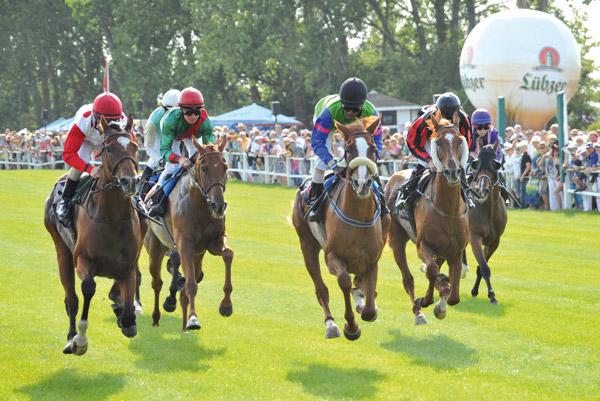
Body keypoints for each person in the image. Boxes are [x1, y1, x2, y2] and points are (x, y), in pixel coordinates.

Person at [307, 77, 383, 221]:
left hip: (358, 127)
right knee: (322, 163)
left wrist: (372, 160)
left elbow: (377, 141)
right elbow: (317, 142)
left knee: (369, 162)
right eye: (346, 108)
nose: (350, 112)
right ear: (342, 104)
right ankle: (314, 203)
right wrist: (332, 164)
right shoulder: (328, 113)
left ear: (361, 106)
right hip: (328, 121)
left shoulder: (370, 113)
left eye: (354, 109)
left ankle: (383, 206)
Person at [55, 91, 127, 226]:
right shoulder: (83, 121)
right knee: (79, 164)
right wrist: (90, 169)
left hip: (107, 140)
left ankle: (135, 198)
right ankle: (65, 201)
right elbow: (68, 154)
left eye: (113, 121)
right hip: (86, 138)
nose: (109, 124)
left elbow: (128, 150)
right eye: (105, 121)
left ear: (119, 118)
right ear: (96, 117)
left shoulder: (123, 121)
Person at [396, 92, 474, 211]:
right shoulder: (423, 120)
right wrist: (429, 160)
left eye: (451, 116)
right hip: (429, 140)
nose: (448, 119)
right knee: (423, 165)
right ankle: (406, 196)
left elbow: (466, 142)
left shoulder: (463, 119)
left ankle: (467, 196)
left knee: (460, 167)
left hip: (453, 139)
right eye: (445, 116)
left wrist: (458, 159)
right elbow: (413, 143)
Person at [146, 87, 215, 217]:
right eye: (188, 112)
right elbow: (165, 151)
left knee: (201, 162)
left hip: (192, 134)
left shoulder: (204, 121)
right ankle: (158, 199)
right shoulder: (169, 120)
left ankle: (212, 196)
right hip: (175, 135)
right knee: (173, 167)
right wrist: (180, 159)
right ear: (181, 109)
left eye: (197, 112)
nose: (193, 116)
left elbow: (209, 146)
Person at [137, 89, 181, 199]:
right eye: (168, 111)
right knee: (152, 166)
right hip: (157, 152)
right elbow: (149, 147)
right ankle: (141, 196)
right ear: (163, 108)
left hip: (175, 151)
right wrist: (160, 160)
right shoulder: (153, 122)